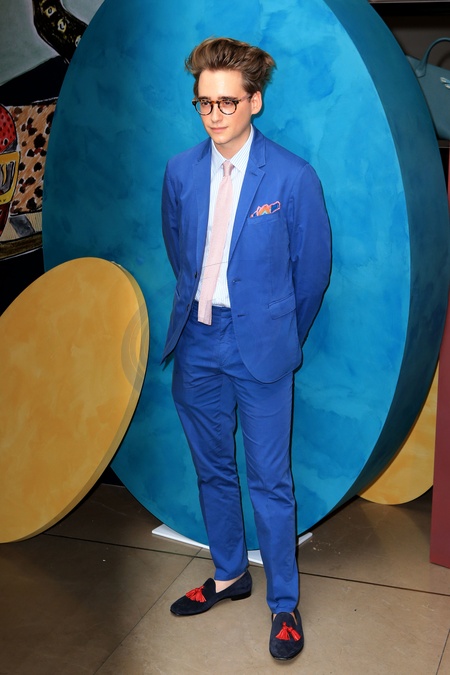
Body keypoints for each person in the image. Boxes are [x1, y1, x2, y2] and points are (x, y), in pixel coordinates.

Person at [161, 36, 331, 661]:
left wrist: (278, 334)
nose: (214, 116)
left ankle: (284, 603)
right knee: (212, 468)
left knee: (270, 480)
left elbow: (312, 274)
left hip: (260, 348)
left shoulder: (292, 176)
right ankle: (230, 574)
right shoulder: (180, 171)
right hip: (197, 340)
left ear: (254, 101)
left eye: (227, 103)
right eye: (204, 103)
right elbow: (179, 252)